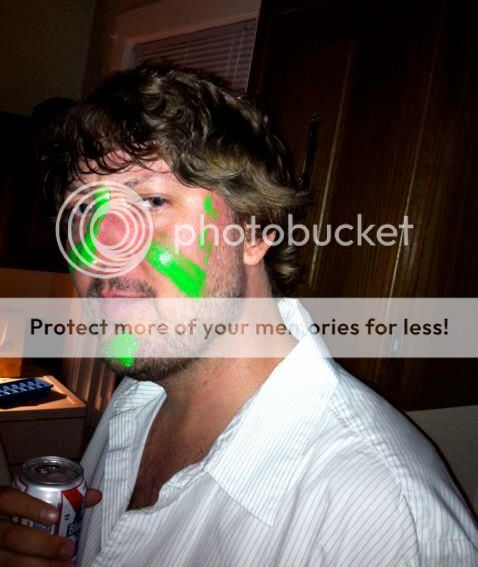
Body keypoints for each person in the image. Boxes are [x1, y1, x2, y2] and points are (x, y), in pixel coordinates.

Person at [1, 61, 477, 567]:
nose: (101, 249)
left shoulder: (385, 522)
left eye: (153, 201)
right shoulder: (135, 399)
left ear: (254, 230)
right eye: (82, 210)